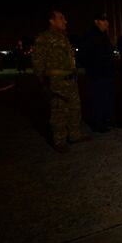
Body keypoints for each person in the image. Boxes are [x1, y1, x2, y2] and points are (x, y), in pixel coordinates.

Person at [32, 10, 90, 153]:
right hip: (56, 82)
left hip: (70, 80)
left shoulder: (63, 37)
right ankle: (59, 141)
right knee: (59, 112)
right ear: (51, 20)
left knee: (75, 109)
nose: (65, 21)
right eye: (61, 18)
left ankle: (74, 135)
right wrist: (44, 83)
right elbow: (37, 63)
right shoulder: (43, 38)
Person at [80, 12, 117, 133]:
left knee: (107, 98)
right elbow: (86, 55)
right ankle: (98, 123)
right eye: (103, 20)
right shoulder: (91, 35)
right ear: (96, 21)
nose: (107, 22)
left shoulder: (103, 35)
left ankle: (106, 120)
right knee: (98, 98)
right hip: (97, 74)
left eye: (107, 20)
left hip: (107, 73)